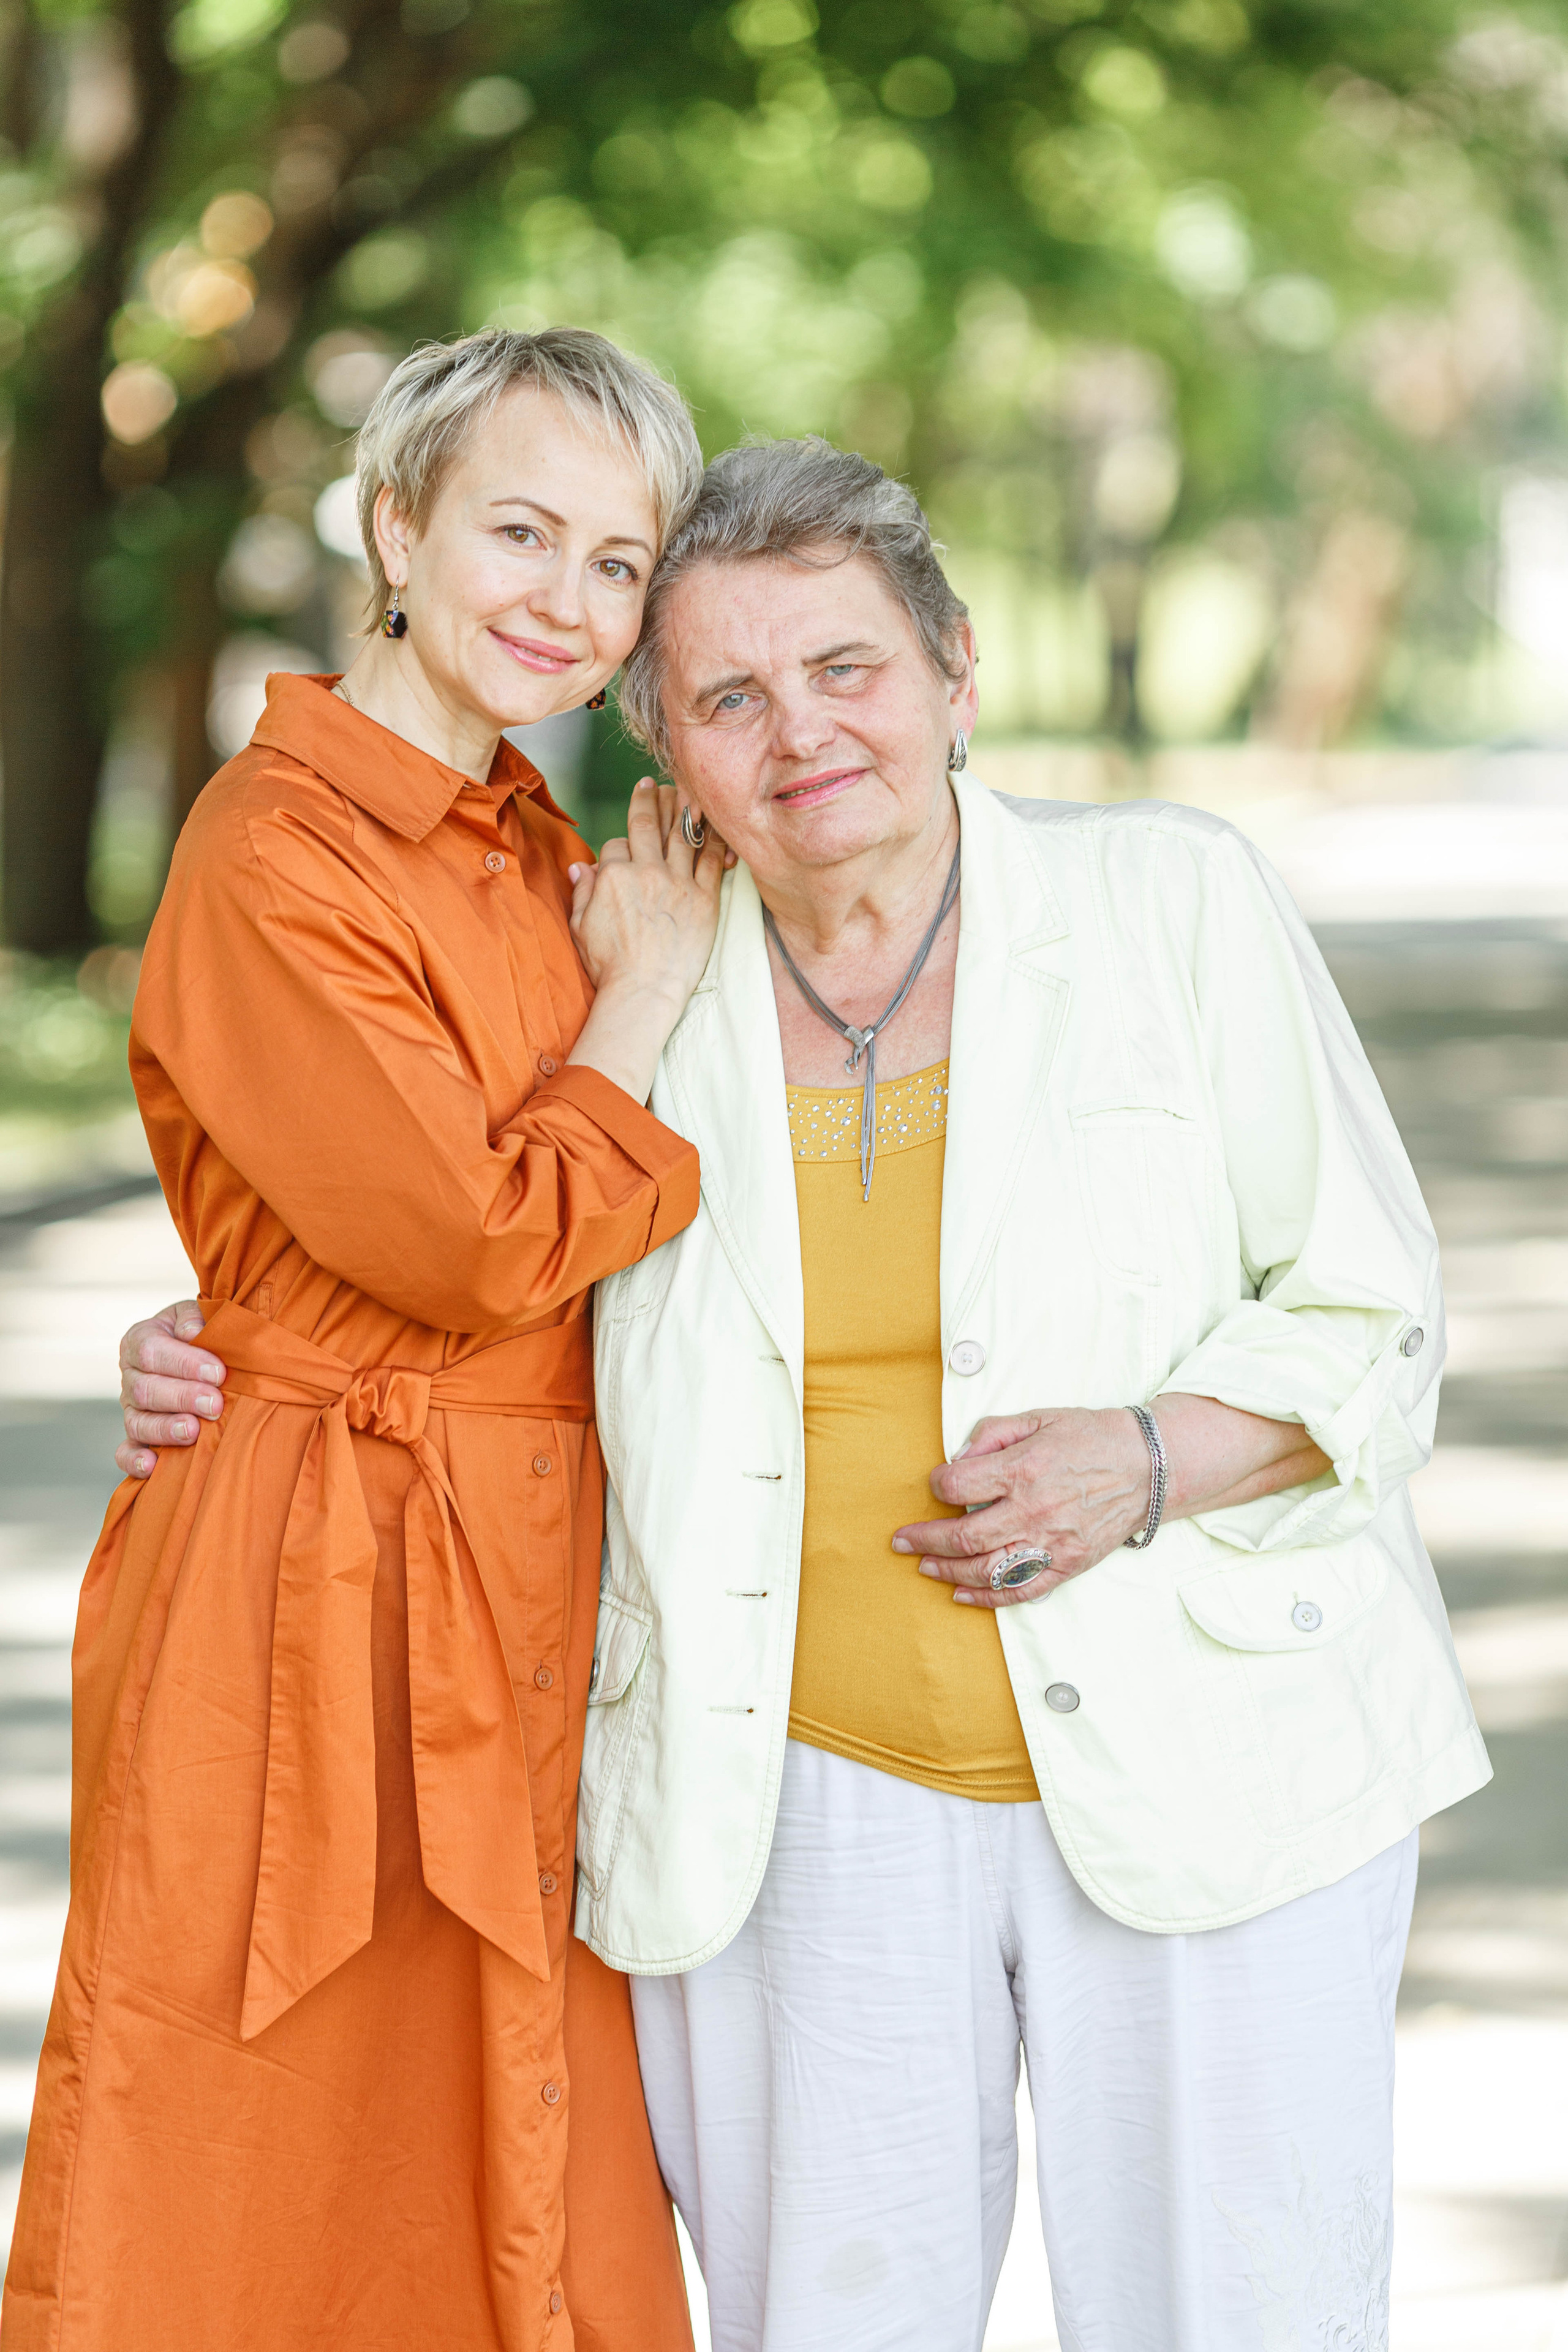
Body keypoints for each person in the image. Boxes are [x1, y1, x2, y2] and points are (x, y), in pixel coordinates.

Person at [118, 439, 1490, 2352]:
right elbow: (456, 1237)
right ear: (663, 749)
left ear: (955, 673)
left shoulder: (1174, 904)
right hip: (791, 1816)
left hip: (1217, 1776)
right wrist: (215, 1344)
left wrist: (1152, 1457)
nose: (803, 733)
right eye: (730, 697)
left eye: (848, 668)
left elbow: (1377, 1318)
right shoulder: (628, 968)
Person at [7, 327, 723, 2352]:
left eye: (616, 562)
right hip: (315, 1586)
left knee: (528, 2147)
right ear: (394, 524)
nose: (564, 602)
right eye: (518, 530)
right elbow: (478, 1239)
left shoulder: (544, 848)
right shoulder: (278, 845)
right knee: (267, 2156)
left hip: (520, 1579)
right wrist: (636, 1018)